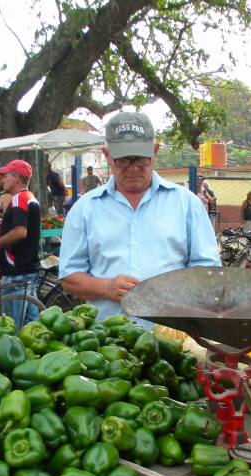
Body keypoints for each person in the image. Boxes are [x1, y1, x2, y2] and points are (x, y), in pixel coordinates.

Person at [59, 111, 220, 320]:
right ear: (107, 155)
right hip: (106, 343)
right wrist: (106, 287)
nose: (133, 168)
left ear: (155, 152)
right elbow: (69, 277)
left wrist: (173, 291)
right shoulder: (85, 209)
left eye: (141, 159)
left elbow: (208, 270)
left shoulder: (187, 204)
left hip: (173, 338)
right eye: (123, 160)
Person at [0, 159, 41, 327]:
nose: (3, 180)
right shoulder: (30, 198)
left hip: (17, 271)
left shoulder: (19, 199)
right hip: (28, 268)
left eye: (6, 175)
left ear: (16, 178)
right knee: (32, 325)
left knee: (13, 327)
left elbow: (20, 232)